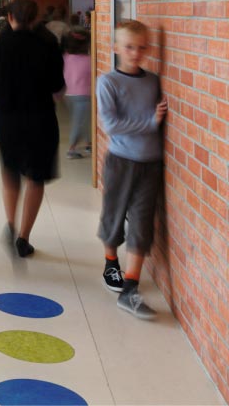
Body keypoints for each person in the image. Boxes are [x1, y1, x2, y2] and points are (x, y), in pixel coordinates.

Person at [0, 0, 65, 258]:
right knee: (36, 177)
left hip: (8, 119)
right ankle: (24, 237)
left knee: (10, 171)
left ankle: (10, 222)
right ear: (34, 20)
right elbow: (57, 87)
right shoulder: (49, 46)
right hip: (41, 119)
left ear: (9, 18)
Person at [97, 20, 167, 320]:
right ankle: (110, 261)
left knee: (142, 223)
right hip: (121, 161)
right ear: (116, 49)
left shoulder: (153, 81)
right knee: (114, 215)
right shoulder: (108, 82)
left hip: (150, 163)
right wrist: (150, 123)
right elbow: (110, 125)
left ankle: (130, 288)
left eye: (141, 48)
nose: (135, 53)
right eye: (128, 47)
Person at [62, 29, 93, 159]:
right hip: (84, 95)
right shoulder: (90, 60)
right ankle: (71, 149)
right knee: (80, 122)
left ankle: (88, 143)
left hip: (69, 95)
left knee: (82, 120)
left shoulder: (65, 57)